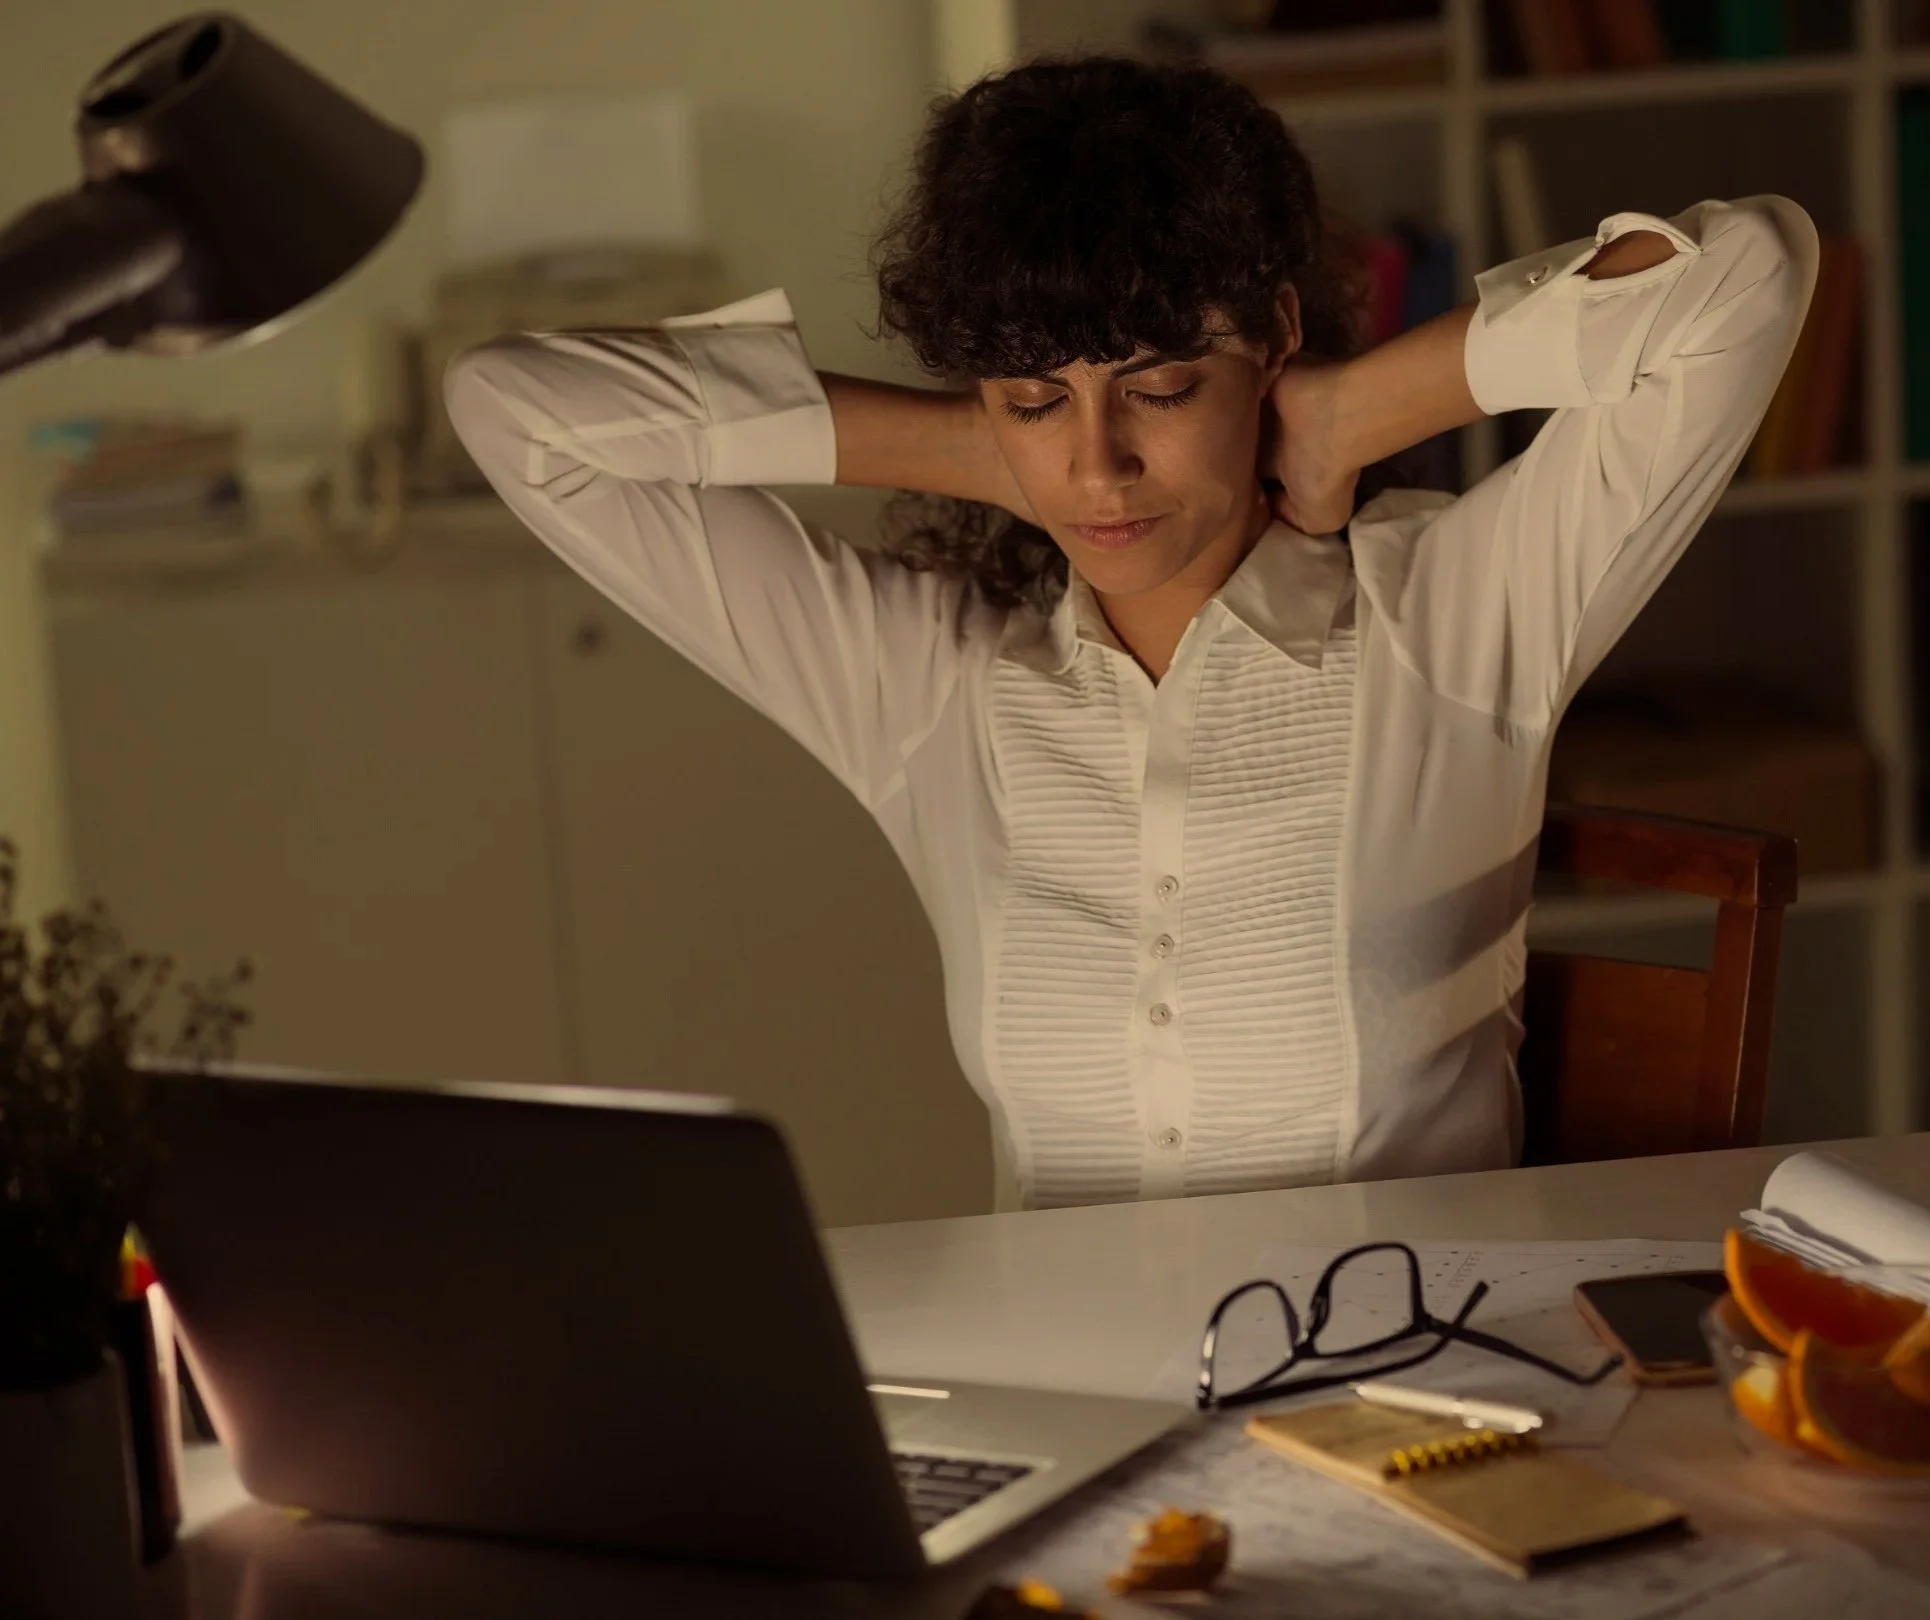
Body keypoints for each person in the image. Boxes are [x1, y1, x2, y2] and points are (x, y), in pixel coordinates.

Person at [445, 56, 1814, 1213]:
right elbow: (518, 413)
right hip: (1079, 1434)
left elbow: (1747, 272)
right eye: (1038, 398)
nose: (1099, 472)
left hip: (1417, 1412)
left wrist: (1355, 410)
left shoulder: (1454, 620)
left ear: (1275, 331)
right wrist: (970, 452)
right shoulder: (926, 686)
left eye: (1159, 388)